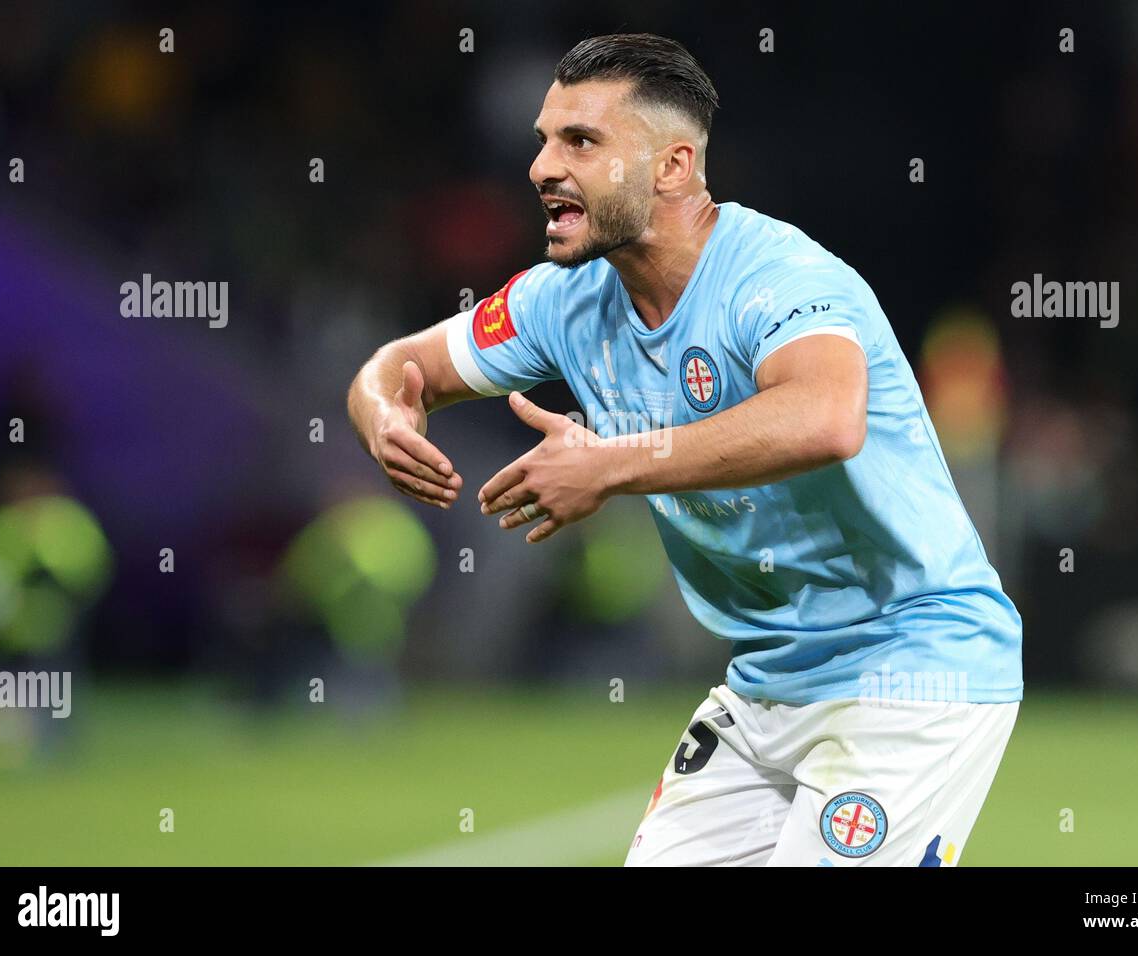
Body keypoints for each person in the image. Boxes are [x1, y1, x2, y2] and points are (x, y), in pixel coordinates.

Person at [347, 33, 1022, 866]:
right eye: (544, 140)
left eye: (581, 142)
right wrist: (385, 413)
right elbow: (397, 365)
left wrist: (611, 465)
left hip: (912, 666)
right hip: (769, 678)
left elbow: (824, 418)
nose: (542, 167)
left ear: (672, 166)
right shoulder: (563, 299)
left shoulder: (781, 279)